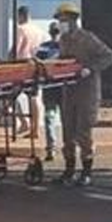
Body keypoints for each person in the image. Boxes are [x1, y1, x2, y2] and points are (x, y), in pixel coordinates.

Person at [53, 2, 112, 187]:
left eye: (64, 20)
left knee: (84, 132)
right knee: (67, 132)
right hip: (69, 90)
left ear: (73, 20)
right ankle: (69, 171)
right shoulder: (63, 40)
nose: (61, 23)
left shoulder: (87, 38)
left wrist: (90, 68)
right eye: (59, 20)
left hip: (87, 92)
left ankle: (86, 172)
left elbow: (109, 56)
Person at [14, 6, 46, 139]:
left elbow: (16, 49)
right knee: (34, 97)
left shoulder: (21, 29)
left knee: (11, 96)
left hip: (22, 67)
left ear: (21, 16)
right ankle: (35, 128)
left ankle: (23, 122)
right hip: (36, 66)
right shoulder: (39, 31)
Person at [36, 22, 64, 161]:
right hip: (64, 87)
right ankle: (67, 146)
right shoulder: (66, 47)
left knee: (49, 117)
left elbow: (37, 64)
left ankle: (51, 148)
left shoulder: (44, 47)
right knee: (66, 119)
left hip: (50, 87)